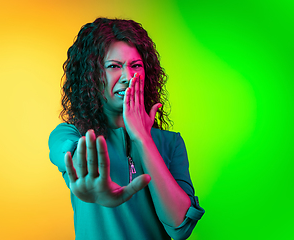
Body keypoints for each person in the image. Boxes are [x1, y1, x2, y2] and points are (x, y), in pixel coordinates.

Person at [48, 17, 204, 240]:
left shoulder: (170, 143)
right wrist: (86, 182)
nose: (128, 77)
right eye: (113, 66)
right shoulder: (71, 134)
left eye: (136, 66)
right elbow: (71, 154)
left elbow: (179, 226)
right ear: (92, 76)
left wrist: (143, 138)